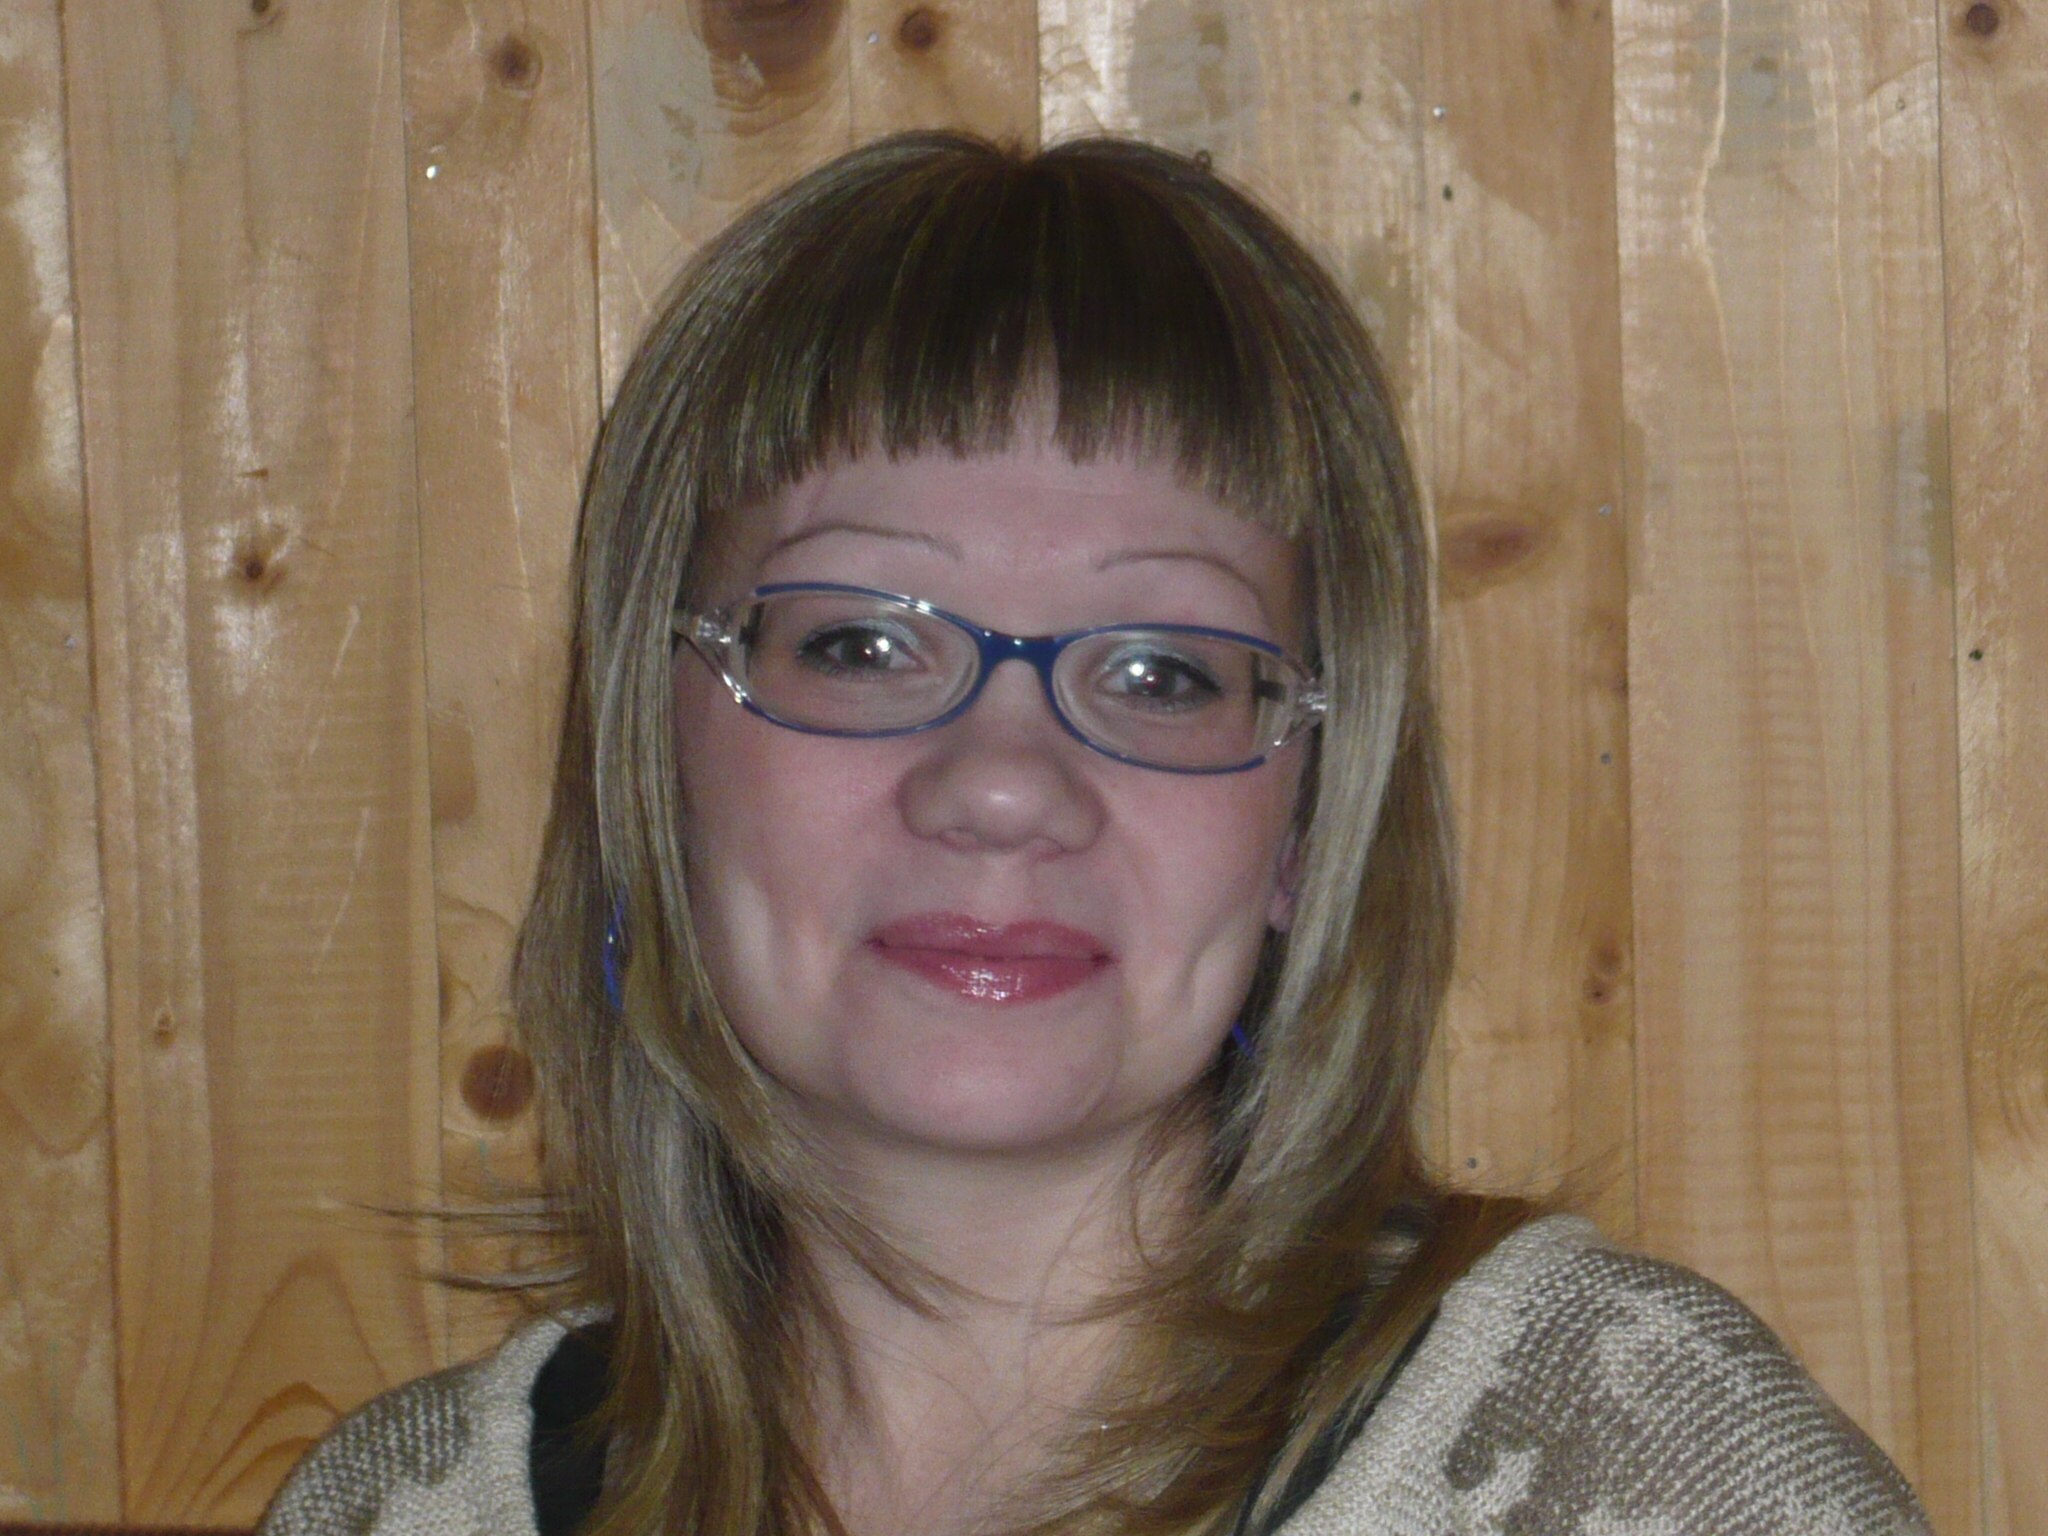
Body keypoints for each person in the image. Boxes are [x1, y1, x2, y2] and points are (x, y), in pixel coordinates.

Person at [258, 132, 1927, 1536]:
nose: (1004, 785)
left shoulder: (1637, 1470)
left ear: (1303, 825)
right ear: (655, 754)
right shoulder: (402, 1509)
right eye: (861, 644)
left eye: (1160, 673)